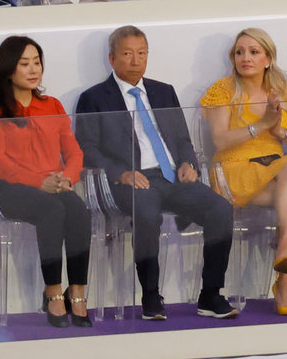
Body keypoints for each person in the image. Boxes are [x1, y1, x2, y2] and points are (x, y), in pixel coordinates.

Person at [75, 25, 238, 321]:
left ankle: (211, 294)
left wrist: (189, 163)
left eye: (141, 53)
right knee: (147, 210)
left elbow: (182, 141)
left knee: (220, 208)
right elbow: (87, 148)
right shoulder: (95, 98)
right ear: (112, 59)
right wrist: (121, 173)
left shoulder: (164, 92)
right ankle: (150, 294)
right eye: (127, 54)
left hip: (171, 177)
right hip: (130, 180)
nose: (136, 60)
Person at [199, 28, 287, 315]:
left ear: (268, 58)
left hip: (274, 172)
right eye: (239, 52)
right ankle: (284, 276)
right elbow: (220, 140)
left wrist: (281, 131)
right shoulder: (223, 89)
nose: (245, 58)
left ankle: (283, 261)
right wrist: (263, 124)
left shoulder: (280, 89)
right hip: (233, 169)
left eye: (253, 52)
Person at [0, 36, 92, 328]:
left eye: (37, 62)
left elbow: (73, 150)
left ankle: (76, 291)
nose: (32, 70)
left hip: (54, 184)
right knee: (51, 210)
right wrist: (39, 182)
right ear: (8, 69)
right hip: (9, 188)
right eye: (24, 63)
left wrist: (67, 177)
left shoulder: (52, 104)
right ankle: (52, 290)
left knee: (78, 211)